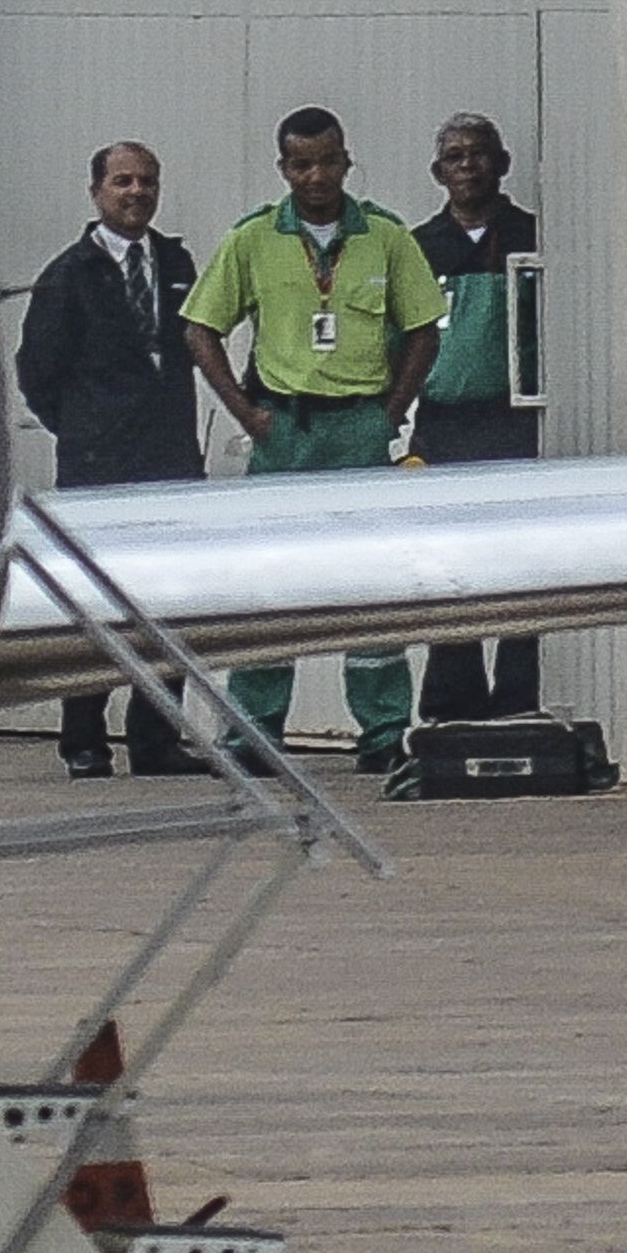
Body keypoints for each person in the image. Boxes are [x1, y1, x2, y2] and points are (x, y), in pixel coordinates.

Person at [180, 106, 445, 780]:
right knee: (270, 584)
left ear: (346, 161)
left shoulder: (384, 236)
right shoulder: (254, 239)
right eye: (302, 164)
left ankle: (383, 730)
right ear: (284, 169)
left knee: (373, 582)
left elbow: (423, 329)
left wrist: (390, 412)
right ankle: (256, 730)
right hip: (284, 431)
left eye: (328, 161)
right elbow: (200, 328)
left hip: (359, 428)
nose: (317, 176)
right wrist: (247, 415)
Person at [13, 139, 203, 777]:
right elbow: (37, 371)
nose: (136, 193)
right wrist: (85, 429)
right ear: (96, 191)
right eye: (123, 181)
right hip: (99, 465)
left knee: (168, 598)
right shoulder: (68, 275)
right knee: (92, 602)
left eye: (147, 181)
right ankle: (85, 740)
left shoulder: (176, 262)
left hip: (169, 458)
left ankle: (157, 739)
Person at [411, 112, 544, 722]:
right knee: (448, 564)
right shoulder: (418, 246)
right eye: (455, 157)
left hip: (514, 422)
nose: (468, 166)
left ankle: (518, 699)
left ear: (503, 163)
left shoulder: (532, 235)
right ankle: (452, 702)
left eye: (479, 153)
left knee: (521, 562)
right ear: (438, 172)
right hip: (443, 424)